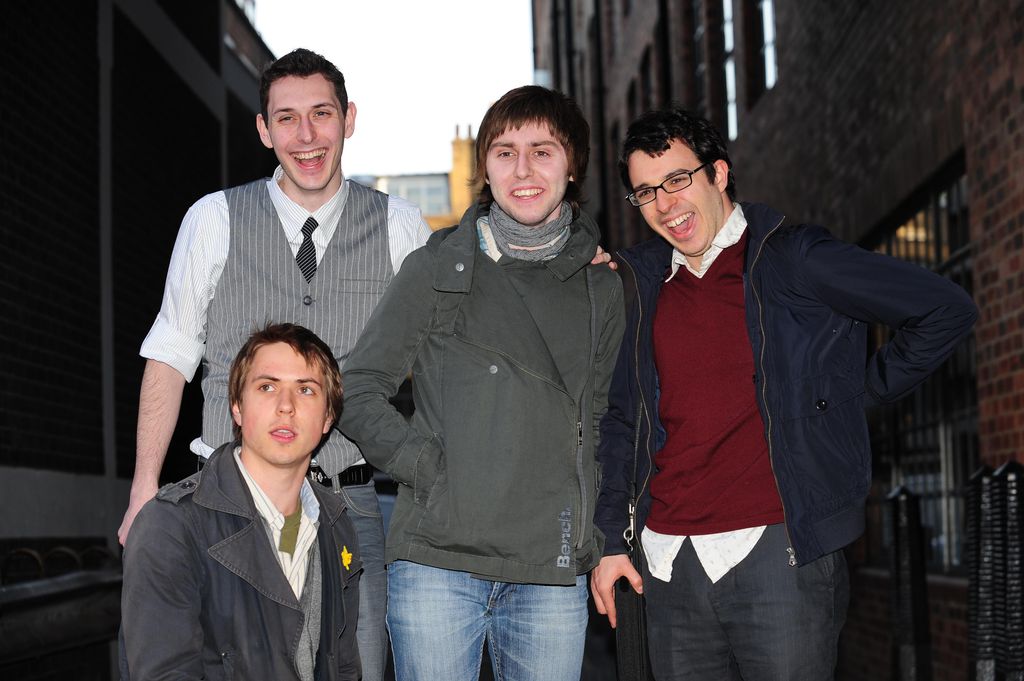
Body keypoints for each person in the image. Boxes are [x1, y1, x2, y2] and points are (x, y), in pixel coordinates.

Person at [590, 107, 978, 680]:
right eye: (645, 192)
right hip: (669, 566)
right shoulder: (641, 285)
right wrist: (608, 542)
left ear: (718, 174)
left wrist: (851, 394)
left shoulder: (793, 259)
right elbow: (622, 422)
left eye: (678, 180)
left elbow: (945, 310)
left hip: (779, 558)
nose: (665, 204)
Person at [117, 48, 431, 681]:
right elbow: (171, 354)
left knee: (353, 669)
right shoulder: (213, 220)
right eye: (286, 118)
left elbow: (447, 358)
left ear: (349, 119)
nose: (306, 135)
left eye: (321, 113)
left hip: (351, 508)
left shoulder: (399, 226)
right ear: (263, 130)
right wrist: (144, 490)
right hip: (225, 504)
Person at [339, 85, 625, 681]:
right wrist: (431, 468)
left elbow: (602, 422)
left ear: (572, 165)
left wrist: (595, 534)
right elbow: (359, 386)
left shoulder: (602, 288)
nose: (523, 170)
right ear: (485, 170)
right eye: (504, 152)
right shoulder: (437, 266)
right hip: (439, 560)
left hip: (550, 566)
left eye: (542, 151)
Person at [120, 323, 361, 680]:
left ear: (328, 417)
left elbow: (342, 667)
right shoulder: (170, 527)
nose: (286, 407)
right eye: (267, 387)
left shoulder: (336, 523)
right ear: (236, 406)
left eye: (306, 390)